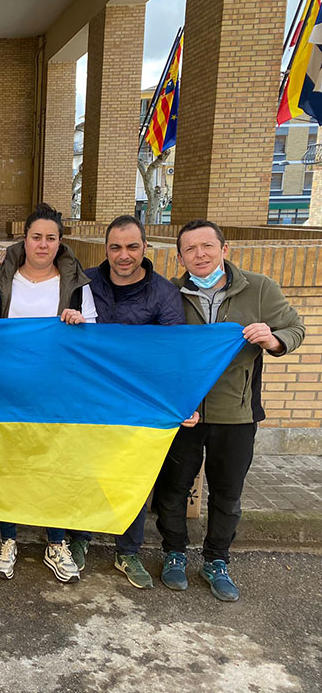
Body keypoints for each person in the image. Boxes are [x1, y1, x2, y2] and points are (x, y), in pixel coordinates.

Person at [153, 219, 304, 602]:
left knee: (227, 493)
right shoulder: (172, 294)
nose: (200, 255)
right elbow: (159, 353)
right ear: (180, 256)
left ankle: (216, 559)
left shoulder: (259, 288)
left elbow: (294, 328)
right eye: (190, 249)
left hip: (237, 413)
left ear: (224, 248)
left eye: (207, 246)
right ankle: (173, 552)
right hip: (185, 413)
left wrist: (273, 339)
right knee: (173, 488)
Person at [64, 215, 195, 589]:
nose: (124, 255)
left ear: (145, 248)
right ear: (106, 249)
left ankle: (128, 551)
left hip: (139, 401)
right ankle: (79, 539)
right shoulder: (84, 282)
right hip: (89, 399)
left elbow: (173, 353)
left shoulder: (163, 293)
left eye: (132, 247)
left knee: (133, 476)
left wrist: (178, 401)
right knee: (86, 472)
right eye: (116, 247)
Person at [0, 202, 97, 584]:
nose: (43, 244)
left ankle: (55, 542)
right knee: (10, 468)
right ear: (26, 239)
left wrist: (78, 323)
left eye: (51, 238)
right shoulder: (0, 279)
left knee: (55, 467)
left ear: (60, 242)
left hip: (57, 393)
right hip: (10, 391)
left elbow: (92, 340)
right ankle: (8, 540)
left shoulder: (77, 286)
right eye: (37, 237)